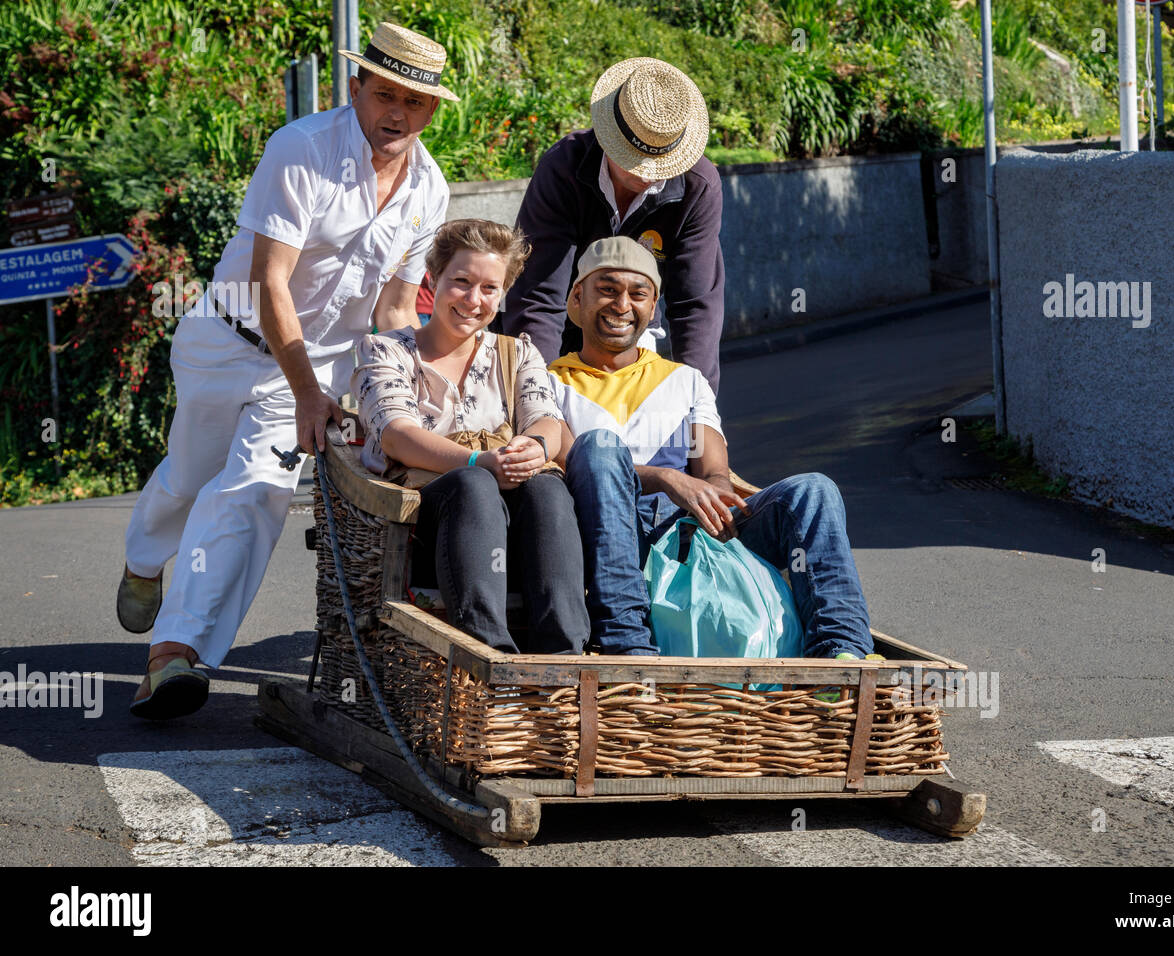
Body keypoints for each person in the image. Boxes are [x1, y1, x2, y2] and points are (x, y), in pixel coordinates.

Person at [119, 23, 457, 719]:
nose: (397, 114)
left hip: (317, 362)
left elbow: (395, 307)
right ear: (357, 88)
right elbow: (272, 283)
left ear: (433, 112)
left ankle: (176, 653)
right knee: (188, 477)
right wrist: (308, 389)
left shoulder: (430, 189)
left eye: (416, 104)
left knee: (253, 490)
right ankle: (144, 560)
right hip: (230, 339)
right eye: (385, 94)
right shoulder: (300, 149)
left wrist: (394, 396)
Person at [551, 237, 879, 661]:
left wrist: (713, 496)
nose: (621, 305)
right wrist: (667, 478)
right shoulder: (547, 380)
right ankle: (629, 646)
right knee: (598, 447)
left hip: (686, 533)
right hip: (604, 534)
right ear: (578, 297)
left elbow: (714, 471)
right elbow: (566, 462)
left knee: (813, 490)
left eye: (638, 293)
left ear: (653, 308)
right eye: (607, 289)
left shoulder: (684, 381)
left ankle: (841, 652)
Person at [352, 219, 587, 655]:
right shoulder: (386, 350)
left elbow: (547, 420)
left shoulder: (518, 352)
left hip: (515, 535)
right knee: (474, 483)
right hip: (423, 532)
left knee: (546, 486)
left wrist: (532, 447)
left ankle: (563, 660)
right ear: (434, 279)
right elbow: (397, 435)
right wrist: (478, 463)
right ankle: (491, 659)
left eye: (489, 289)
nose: (473, 301)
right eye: (461, 282)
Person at [502, 57, 726, 393]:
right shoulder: (563, 167)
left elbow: (694, 306)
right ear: (609, 136)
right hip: (555, 342)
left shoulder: (699, 186)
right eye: (634, 158)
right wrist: (537, 397)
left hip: (638, 340)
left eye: (658, 163)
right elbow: (539, 297)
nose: (645, 174)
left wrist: (699, 407)